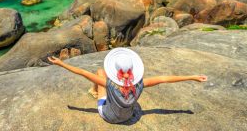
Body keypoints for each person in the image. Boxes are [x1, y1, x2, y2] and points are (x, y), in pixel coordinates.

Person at [48, 47, 208, 124]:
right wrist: (192, 77)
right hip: (129, 116)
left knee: (98, 72)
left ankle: (93, 92)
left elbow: (81, 72)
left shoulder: (109, 84)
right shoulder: (140, 84)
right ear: (132, 71)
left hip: (109, 116)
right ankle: (96, 92)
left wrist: (61, 63)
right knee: (100, 77)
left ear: (116, 71)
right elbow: (164, 78)